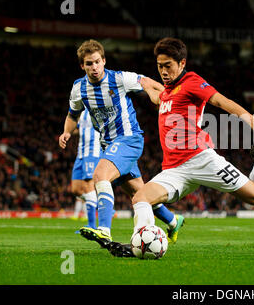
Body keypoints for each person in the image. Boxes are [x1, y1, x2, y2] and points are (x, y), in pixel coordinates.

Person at [108, 37, 254, 257]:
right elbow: (157, 97)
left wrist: (249, 119)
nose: (163, 70)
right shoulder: (166, 93)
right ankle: (139, 245)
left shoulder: (191, 81)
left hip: (202, 159)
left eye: (168, 65)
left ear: (182, 64)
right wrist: (142, 83)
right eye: (159, 66)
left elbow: (219, 100)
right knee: (140, 198)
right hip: (174, 169)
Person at [58, 39, 185, 248]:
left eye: (97, 61)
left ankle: (104, 231)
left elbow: (146, 82)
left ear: (104, 61)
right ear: (82, 66)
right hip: (108, 145)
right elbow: (73, 114)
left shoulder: (119, 78)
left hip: (129, 139)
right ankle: (173, 220)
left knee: (100, 175)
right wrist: (66, 132)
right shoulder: (79, 88)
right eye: (89, 63)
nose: (94, 67)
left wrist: (159, 94)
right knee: (138, 193)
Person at [70, 109, 101, 230]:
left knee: (88, 186)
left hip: (92, 152)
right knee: (76, 190)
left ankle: (92, 225)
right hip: (81, 153)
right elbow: (77, 129)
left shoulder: (98, 108)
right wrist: (68, 132)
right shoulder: (82, 112)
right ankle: (100, 204)